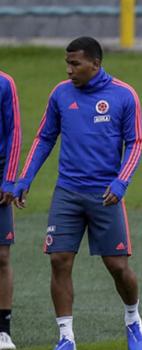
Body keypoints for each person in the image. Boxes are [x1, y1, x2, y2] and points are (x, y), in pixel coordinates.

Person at [14, 37, 142, 350]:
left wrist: (121, 182)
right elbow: (45, 138)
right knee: (59, 260)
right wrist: (25, 177)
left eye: (75, 64)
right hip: (68, 192)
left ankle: (133, 318)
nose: (69, 70)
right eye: (67, 63)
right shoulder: (61, 94)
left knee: (117, 266)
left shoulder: (123, 95)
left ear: (95, 64)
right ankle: (66, 337)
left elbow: (136, 142)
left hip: (105, 194)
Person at [0, 70, 21, 350]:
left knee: (1, 256)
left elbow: (14, 131)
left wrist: (9, 178)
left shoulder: (4, 83)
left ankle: (3, 330)